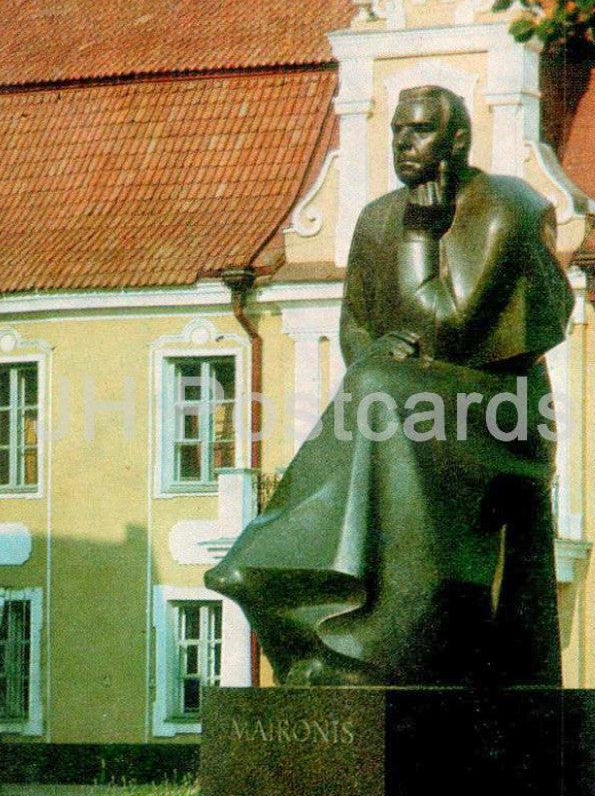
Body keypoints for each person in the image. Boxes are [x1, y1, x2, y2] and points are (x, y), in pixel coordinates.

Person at [206, 85, 574, 688]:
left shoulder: (506, 207)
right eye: (398, 129)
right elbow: (354, 324)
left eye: (421, 130)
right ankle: (299, 584)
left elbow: (450, 331)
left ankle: (371, 637)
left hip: (501, 411)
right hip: (406, 401)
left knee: (382, 391)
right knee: (377, 384)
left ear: (458, 140)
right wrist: (371, 350)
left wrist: (421, 234)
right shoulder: (377, 216)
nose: (404, 142)